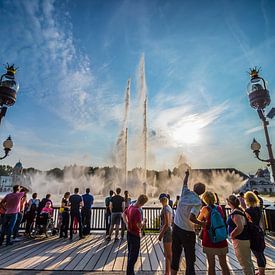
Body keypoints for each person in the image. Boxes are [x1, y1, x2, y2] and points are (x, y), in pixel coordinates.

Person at [171, 170, 206, 275]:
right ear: (202, 192)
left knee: (176, 255)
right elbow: (192, 218)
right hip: (187, 231)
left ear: (194, 188)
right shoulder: (198, 202)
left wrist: (187, 175)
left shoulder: (185, 192)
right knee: (190, 258)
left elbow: (185, 183)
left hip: (176, 229)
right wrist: (202, 224)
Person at [198, 191, 230, 275]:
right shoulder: (219, 208)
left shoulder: (205, 209)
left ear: (204, 199)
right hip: (220, 237)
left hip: (209, 239)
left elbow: (197, 221)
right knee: (224, 264)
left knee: (211, 265)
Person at [226, 195, 255, 275]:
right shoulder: (239, 210)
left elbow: (240, 227)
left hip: (240, 240)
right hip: (243, 239)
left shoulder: (236, 213)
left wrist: (232, 235)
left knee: (244, 263)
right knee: (248, 262)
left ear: (229, 202)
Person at [123, 194, 148, 275]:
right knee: (133, 257)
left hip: (129, 233)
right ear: (143, 203)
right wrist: (144, 221)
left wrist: (126, 224)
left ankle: (129, 272)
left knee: (130, 255)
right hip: (135, 236)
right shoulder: (137, 210)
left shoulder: (130, 206)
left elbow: (123, 214)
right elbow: (139, 226)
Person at [245, 191, 266, 275]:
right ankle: (262, 271)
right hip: (259, 232)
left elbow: (248, 223)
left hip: (253, 234)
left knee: (258, 254)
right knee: (261, 253)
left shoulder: (248, 210)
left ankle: (261, 273)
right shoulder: (258, 209)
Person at [158, 193, 173, 275]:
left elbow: (167, 223)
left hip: (167, 233)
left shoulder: (166, 208)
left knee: (168, 254)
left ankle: (170, 271)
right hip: (168, 232)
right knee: (167, 254)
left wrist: (161, 234)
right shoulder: (168, 207)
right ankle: (167, 272)